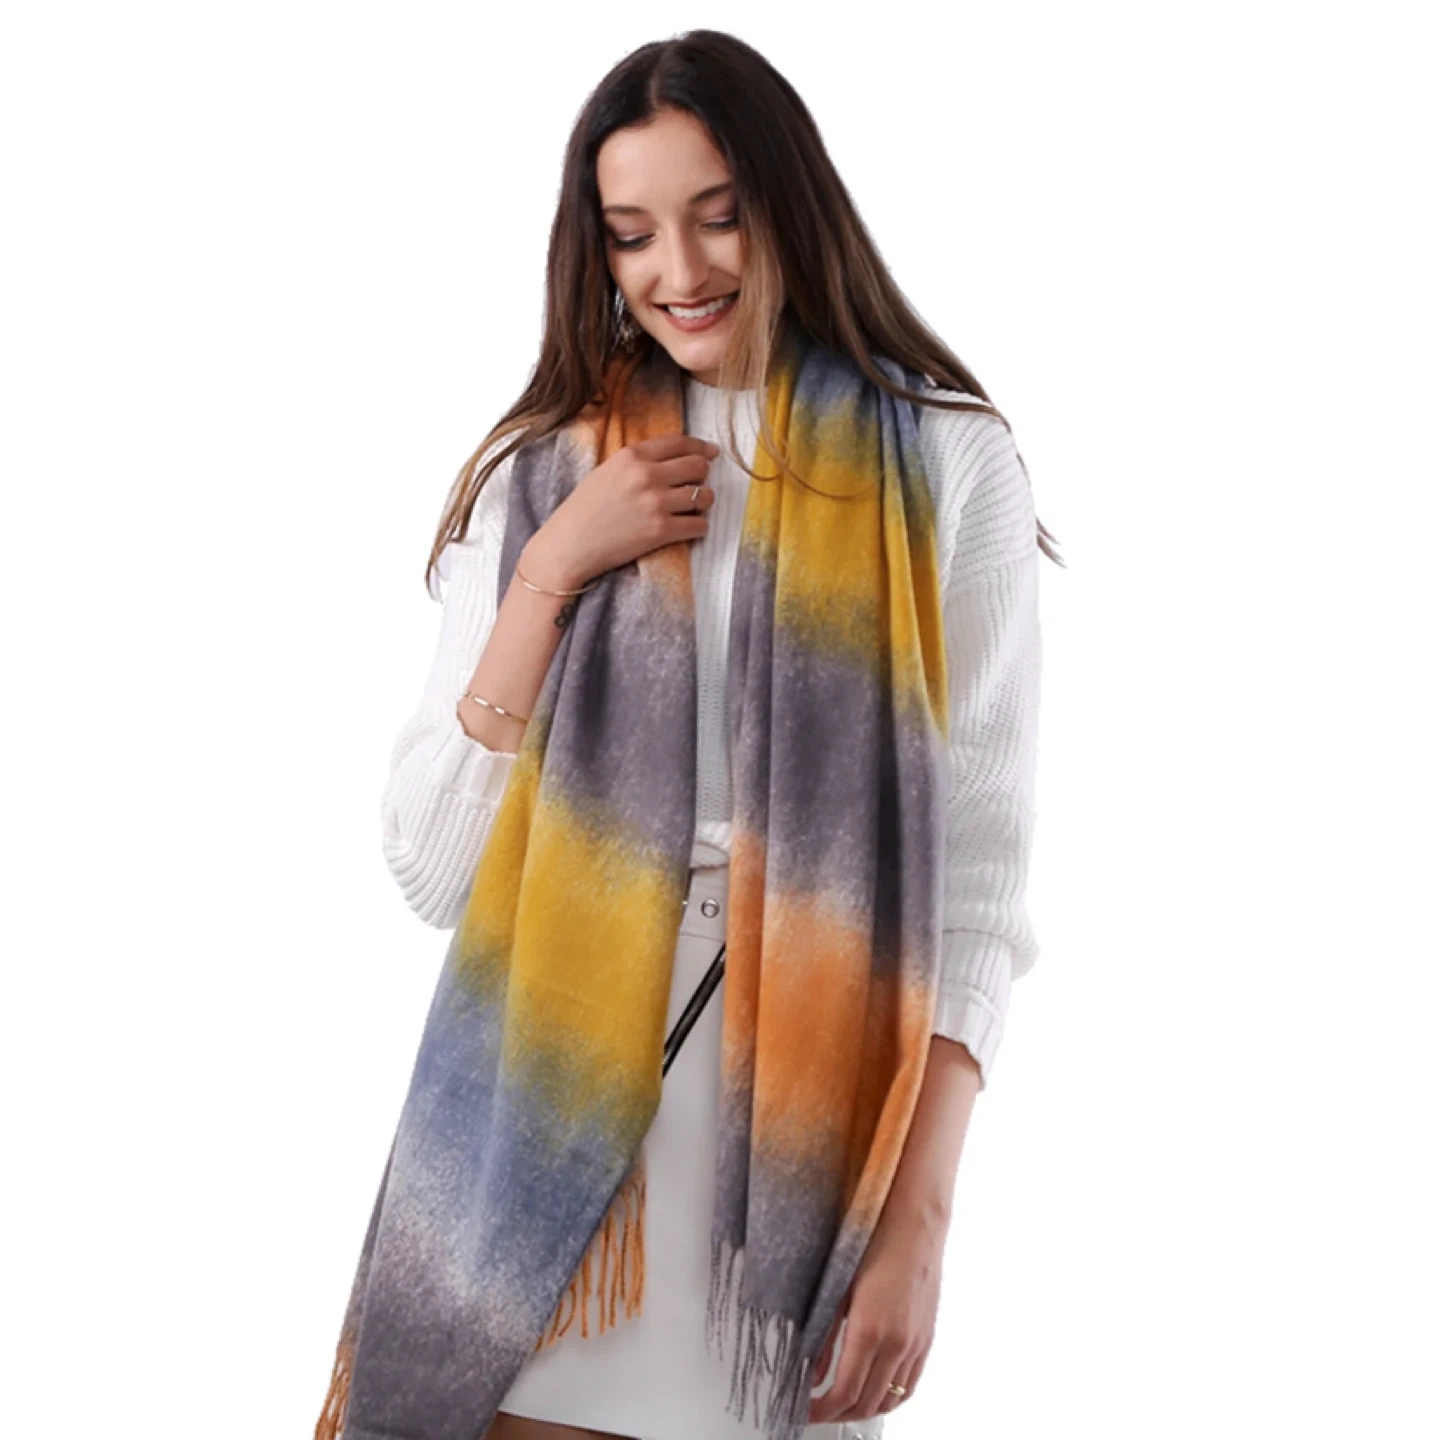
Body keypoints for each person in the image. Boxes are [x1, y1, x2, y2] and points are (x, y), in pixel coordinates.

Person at [319, 28, 1060, 1440]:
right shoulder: (545, 475)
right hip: (535, 1140)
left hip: (792, 1151)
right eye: (633, 233)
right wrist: (550, 573)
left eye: (719, 214)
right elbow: (431, 871)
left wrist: (920, 1226)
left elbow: (975, 889)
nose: (680, 269)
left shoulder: (947, 462)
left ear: (792, 203)